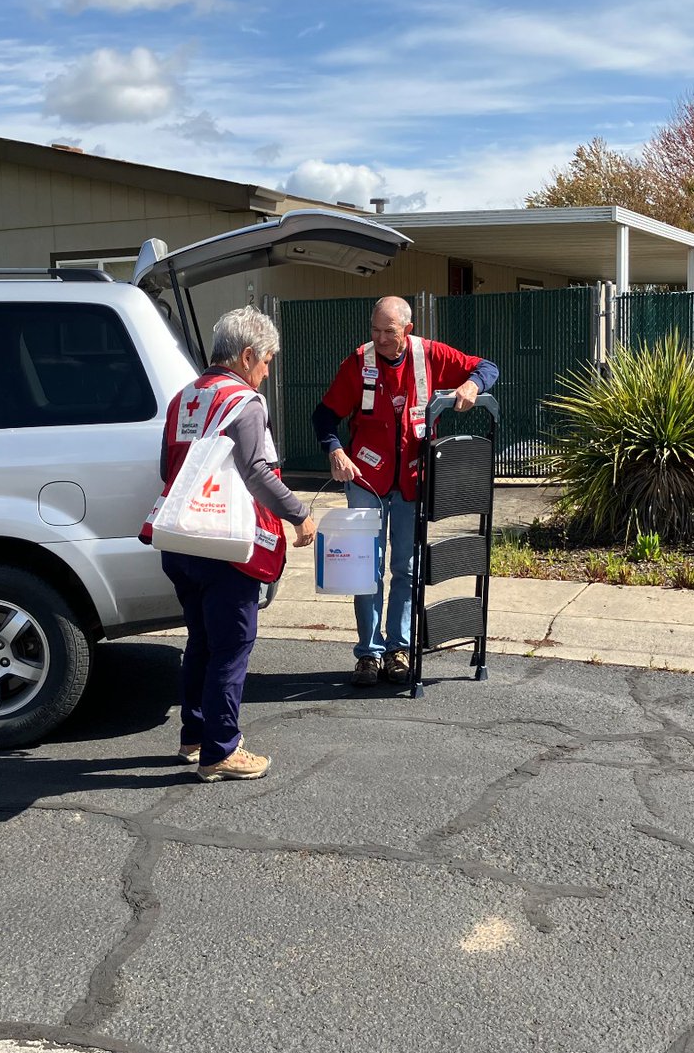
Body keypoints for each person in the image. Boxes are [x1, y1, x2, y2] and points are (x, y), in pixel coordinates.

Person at [141, 306, 316, 781]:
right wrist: (300, 514)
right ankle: (222, 749)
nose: (265, 373)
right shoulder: (245, 403)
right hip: (224, 544)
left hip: (180, 539)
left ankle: (194, 737)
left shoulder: (184, 398)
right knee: (233, 645)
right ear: (246, 355)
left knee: (200, 640)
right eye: (266, 362)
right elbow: (257, 473)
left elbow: (167, 469)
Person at [312, 296, 498, 686]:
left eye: (389, 332)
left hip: (412, 483)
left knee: (406, 570)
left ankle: (399, 649)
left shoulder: (428, 355)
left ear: (407, 331)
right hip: (366, 482)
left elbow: (487, 368)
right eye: (375, 330)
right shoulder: (358, 362)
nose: (380, 339)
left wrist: (469, 385)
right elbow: (324, 415)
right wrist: (336, 451)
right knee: (366, 571)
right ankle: (368, 654)